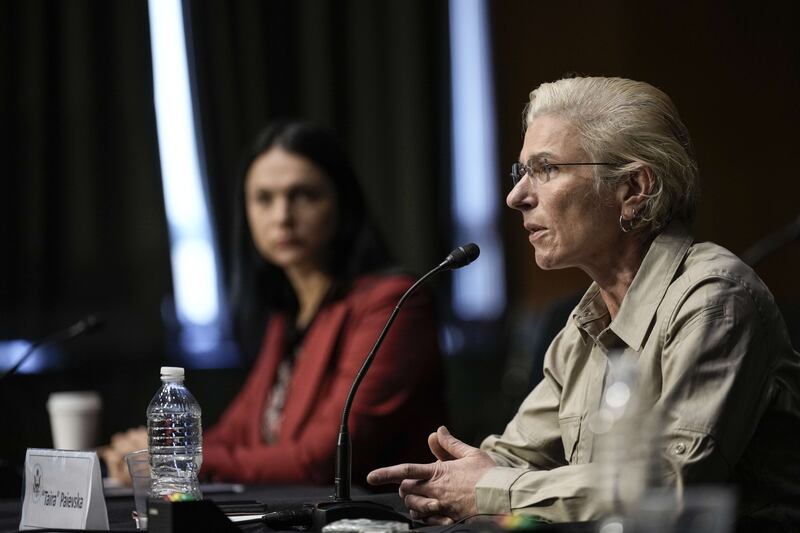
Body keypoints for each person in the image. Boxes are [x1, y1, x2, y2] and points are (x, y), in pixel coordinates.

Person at [367, 77, 800, 529]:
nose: (516, 197)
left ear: (633, 189)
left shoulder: (716, 300)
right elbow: (513, 456)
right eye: (521, 172)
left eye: (546, 169)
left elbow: (666, 485)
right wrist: (449, 483)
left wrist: (488, 489)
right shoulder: (584, 325)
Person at [101, 121, 445, 485]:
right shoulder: (288, 315)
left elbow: (324, 458)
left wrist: (178, 458)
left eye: (304, 195)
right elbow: (235, 433)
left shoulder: (394, 303)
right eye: (264, 198)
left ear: (342, 202)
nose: (282, 217)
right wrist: (155, 449)